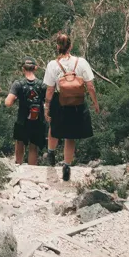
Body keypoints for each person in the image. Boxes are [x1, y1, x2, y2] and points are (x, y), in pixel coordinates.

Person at [43, 32, 100, 182]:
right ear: (71, 46)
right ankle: (67, 166)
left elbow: (49, 89)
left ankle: (51, 152)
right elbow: (90, 86)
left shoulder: (52, 64)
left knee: (54, 128)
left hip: (58, 101)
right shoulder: (81, 62)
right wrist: (95, 103)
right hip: (77, 102)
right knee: (70, 136)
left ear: (57, 46)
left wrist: (46, 106)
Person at [5, 57, 46, 166]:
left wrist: (15, 99)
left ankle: (18, 166)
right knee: (33, 146)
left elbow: (8, 103)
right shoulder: (42, 85)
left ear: (23, 69)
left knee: (20, 142)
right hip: (38, 119)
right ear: (35, 68)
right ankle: (32, 169)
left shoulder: (18, 84)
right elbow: (48, 102)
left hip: (22, 119)